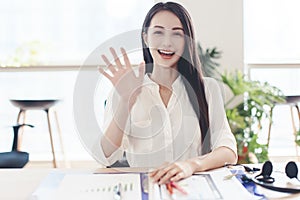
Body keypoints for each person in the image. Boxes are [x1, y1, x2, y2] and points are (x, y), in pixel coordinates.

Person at [97, 1, 237, 184]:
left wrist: (191, 165)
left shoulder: (207, 89)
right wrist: (126, 101)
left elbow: (228, 150)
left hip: (193, 189)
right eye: (158, 32)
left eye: (177, 34)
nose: (167, 42)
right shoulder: (126, 89)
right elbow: (105, 157)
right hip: (148, 189)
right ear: (145, 37)